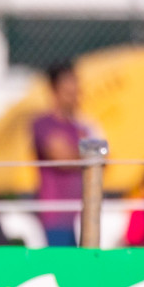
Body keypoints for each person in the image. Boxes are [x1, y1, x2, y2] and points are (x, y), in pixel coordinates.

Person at [31, 62, 97, 247]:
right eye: (68, 90)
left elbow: (106, 159)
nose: (75, 95)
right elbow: (61, 159)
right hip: (55, 218)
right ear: (54, 91)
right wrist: (88, 157)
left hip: (84, 218)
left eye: (76, 89)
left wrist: (80, 155)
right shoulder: (43, 124)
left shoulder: (83, 126)